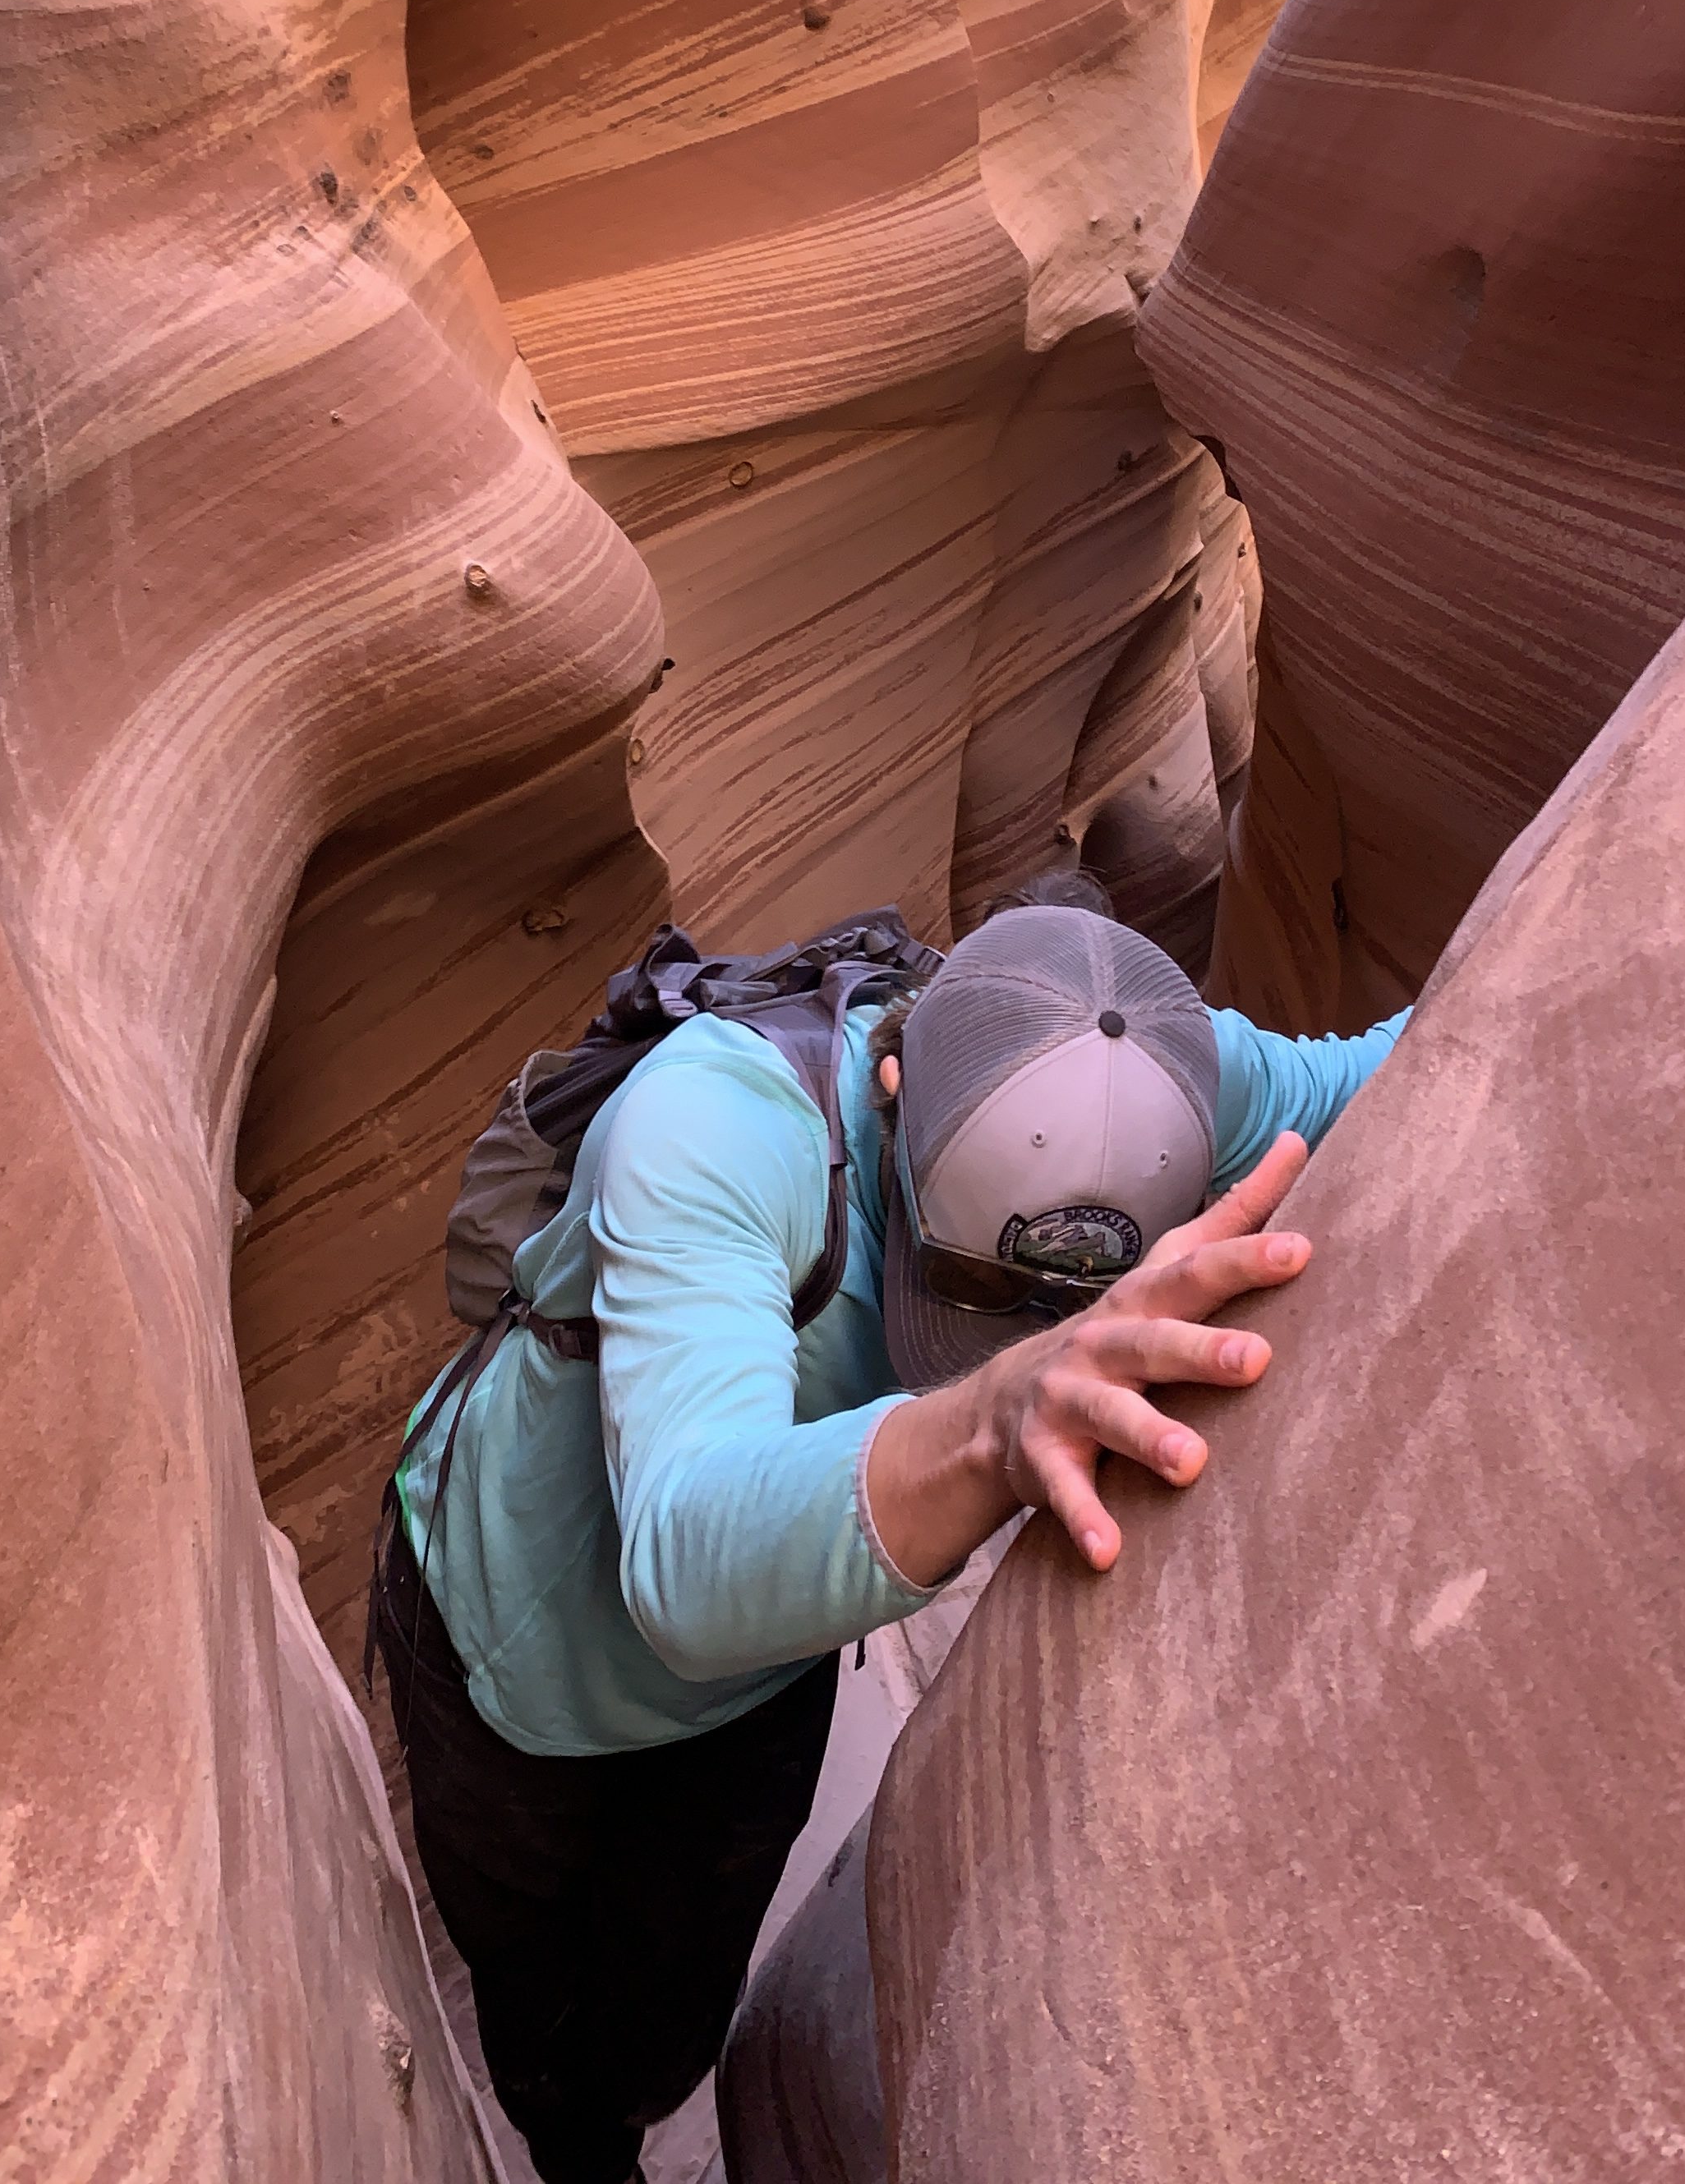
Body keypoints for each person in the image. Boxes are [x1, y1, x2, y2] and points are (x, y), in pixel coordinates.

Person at [366, 875, 1409, 2184]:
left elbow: (1412, 1055)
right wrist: (989, 1419)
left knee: (670, 2002)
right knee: (537, 1996)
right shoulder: (720, 1116)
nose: (1014, 1338)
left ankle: (618, 2122)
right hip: (505, 1641)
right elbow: (684, 1555)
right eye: (972, 1294)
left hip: (758, 1675)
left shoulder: (1167, 1076)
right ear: (898, 1077)